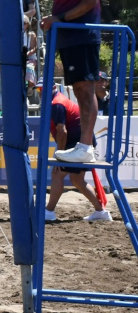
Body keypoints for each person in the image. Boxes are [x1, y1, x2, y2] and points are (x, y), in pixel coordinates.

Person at [41, 0, 102, 164]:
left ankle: (85, 146)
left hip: (81, 37)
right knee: (80, 89)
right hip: (71, 37)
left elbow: (91, 0)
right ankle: (84, 146)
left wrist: (61, 18)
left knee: (85, 90)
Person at [43, 83, 112, 222]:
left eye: (42, 89)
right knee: (77, 179)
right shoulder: (57, 100)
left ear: (53, 88)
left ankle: (49, 211)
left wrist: (59, 155)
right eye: (38, 89)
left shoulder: (57, 104)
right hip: (80, 141)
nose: (40, 92)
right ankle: (101, 212)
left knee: (57, 175)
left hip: (77, 143)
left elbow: (62, 132)